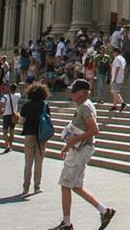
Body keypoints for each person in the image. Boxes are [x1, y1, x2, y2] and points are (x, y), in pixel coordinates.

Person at [52, 79, 116, 230]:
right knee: (76, 186)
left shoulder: (85, 107)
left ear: (81, 92)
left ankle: (67, 224)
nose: (72, 94)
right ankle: (104, 211)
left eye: (74, 91)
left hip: (81, 150)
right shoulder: (85, 106)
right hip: (79, 148)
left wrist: (73, 140)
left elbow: (94, 129)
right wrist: (69, 144)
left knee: (65, 184)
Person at [20, 82, 49, 194]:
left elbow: (21, 121)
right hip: (41, 136)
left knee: (28, 163)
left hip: (29, 134)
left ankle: (25, 187)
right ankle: (37, 186)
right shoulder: (45, 105)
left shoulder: (26, 105)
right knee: (39, 162)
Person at [0, 82, 20, 152]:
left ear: (9, 89)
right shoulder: (17, 95)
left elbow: (1, 104)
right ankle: (10, 145)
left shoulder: (6, 96)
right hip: (14, 115)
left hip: (6, 114)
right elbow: (19, 92)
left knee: (5, 131)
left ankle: (7, 145)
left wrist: (1, 110)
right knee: (12, 131)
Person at [108, 49, 128, 114]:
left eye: (113, 53)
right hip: (120, 77)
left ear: (115, 52)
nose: (113, 54)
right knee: (116, 91)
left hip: (116, 78)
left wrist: (114, 78)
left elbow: (117, 67)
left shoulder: (117, 58)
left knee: (114, 91)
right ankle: (114, 105)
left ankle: (123, 103)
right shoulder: (123, 59)